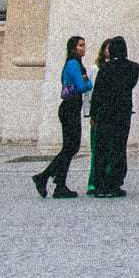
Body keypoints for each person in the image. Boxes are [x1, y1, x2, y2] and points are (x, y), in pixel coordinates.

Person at [33, 34, 91, 199]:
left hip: (71, 108)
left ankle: (57, 183)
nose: (83, 48)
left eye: (84, 45)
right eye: (80, 45)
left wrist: (85, 81)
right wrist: (88, 82)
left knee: (70, 147)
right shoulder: (73, 64)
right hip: (69, 108)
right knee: (71, 147)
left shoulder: (76, 64)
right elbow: (83, 86)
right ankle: (46, 178)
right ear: (73, 48)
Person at [87, 35, 138, 198]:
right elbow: (130, 85)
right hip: (122, 113)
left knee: (102, 149)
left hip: (105, 113)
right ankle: (115, 183)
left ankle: (100, 185)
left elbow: (98, 93)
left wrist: (93, 114)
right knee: (118, 149)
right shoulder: (133, 67)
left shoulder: (106, 68)